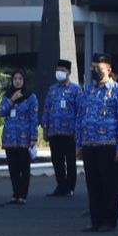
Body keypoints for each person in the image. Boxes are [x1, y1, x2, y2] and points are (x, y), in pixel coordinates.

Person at [76, 53, 118, 232]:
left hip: (108, 145)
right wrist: (79, 143)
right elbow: (80, 118)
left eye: (98, 68)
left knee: (109, 184)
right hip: (89, 144)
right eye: (92, 68)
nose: (95, 71)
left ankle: (109, 220)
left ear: (108, 69)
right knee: (93, 184)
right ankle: (95, 220)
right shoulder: (88, 91)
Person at [0, 69, 39, 204]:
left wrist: (33, 137)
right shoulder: (7, 96)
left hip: (24, 138)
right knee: (13, 168)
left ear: (24, 81)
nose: (17, 81)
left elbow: (34, 118)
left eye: (20, 79)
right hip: (10, 137)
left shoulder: (31, 97)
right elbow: (2, 112)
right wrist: (12, 100)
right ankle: (15, 194)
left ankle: (23, 195)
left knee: (24, 168)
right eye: (15, 79)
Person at [41, 59, 81, 197]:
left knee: (70, 160)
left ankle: (70, 187)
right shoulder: (52, 89)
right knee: (56, 160)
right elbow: (46, 109)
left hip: (69, 132)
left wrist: (77, 131)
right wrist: (45, 128)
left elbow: (79, 112)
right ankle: (61, 185)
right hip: (54, 131)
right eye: (58, 70)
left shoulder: (76, 89)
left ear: (68, 72)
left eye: (62, 70)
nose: (59, 72)